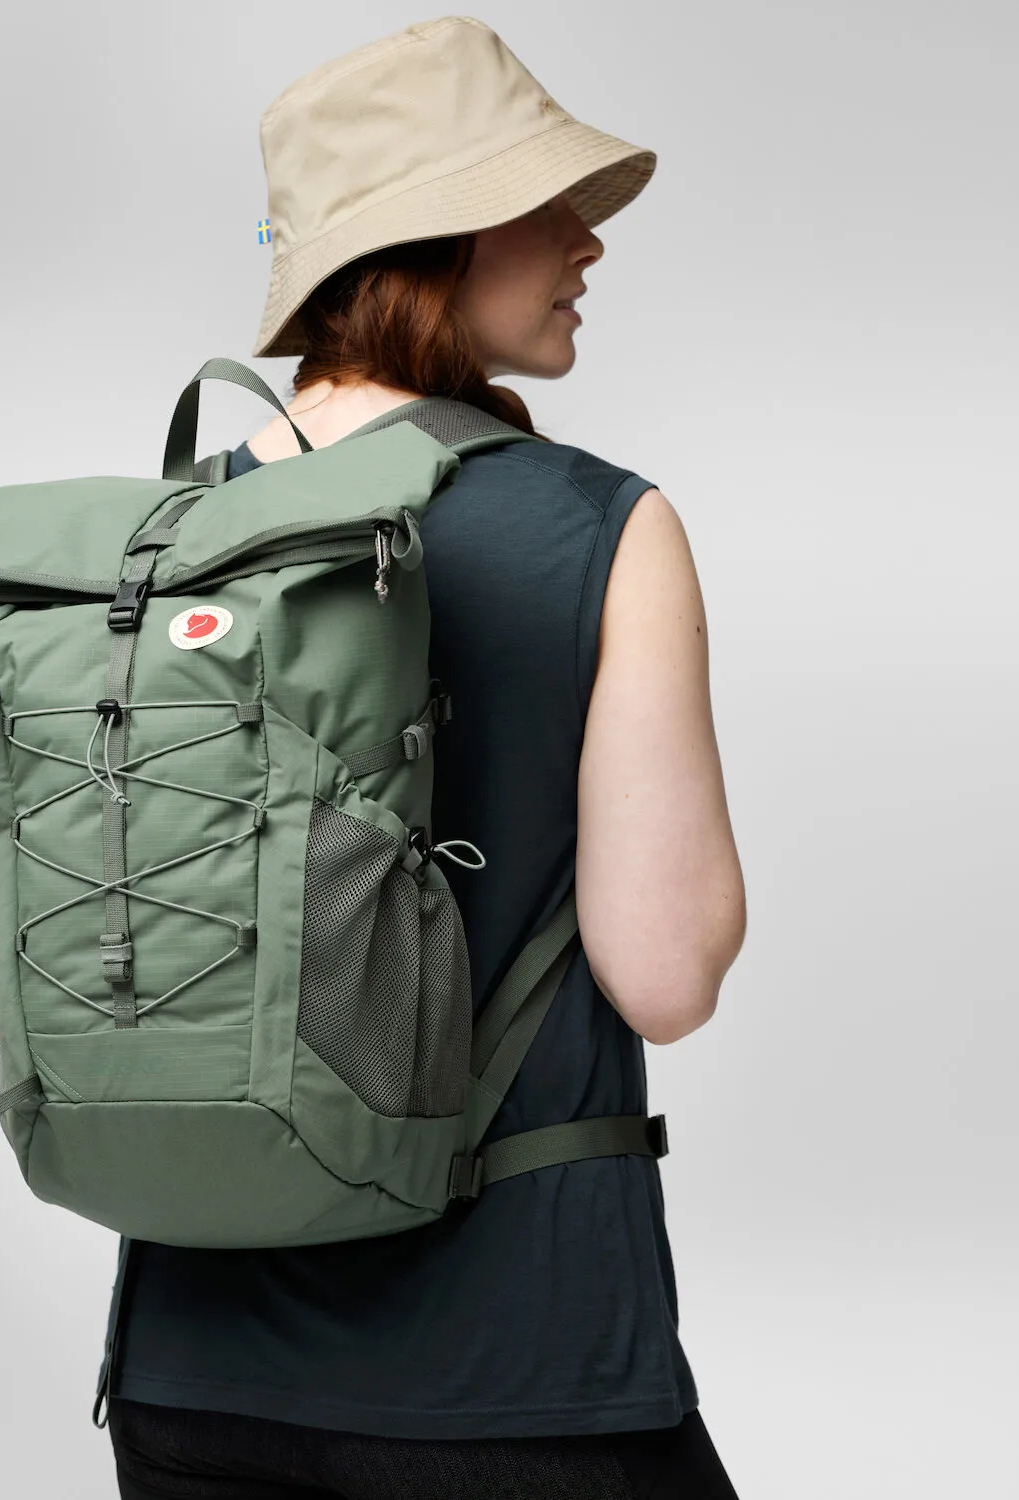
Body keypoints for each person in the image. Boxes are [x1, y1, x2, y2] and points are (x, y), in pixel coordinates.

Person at [105, 17, 747, 1498]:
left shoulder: (168, 538)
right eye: (548, 204)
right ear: (433, 238)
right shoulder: (599, 526)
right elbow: (667, 975)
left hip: (194, 1364)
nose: (590, 241)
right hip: (511, 1365)